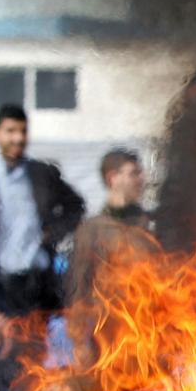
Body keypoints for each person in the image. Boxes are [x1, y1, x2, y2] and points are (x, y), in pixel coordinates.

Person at [0, 104, 84, 391]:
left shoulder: (41, 173)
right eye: (10, 131)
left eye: (22, 131)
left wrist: (50, 234)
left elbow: (75, 206)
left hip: (33, 289)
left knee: (28, 377)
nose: (17, 139)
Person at [68, 149, 160, 378]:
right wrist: (79, 340)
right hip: (111, 337)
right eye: (133, 173)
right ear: (112, 178)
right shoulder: (93, 229)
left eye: (140, 173)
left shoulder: (151, 225)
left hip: (152, 334)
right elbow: (79, 287)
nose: (141, 179)